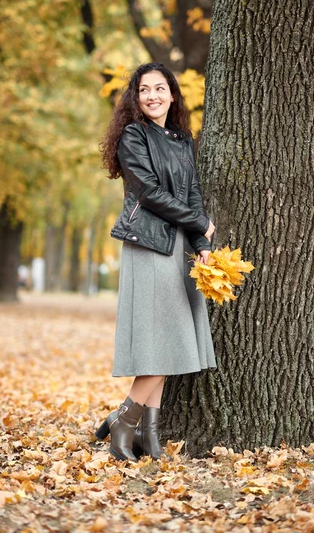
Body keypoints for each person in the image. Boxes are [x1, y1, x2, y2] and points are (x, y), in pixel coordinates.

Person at [96, 62, 217, 462]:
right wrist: (198, 221)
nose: (152, 96)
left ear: (172, 94)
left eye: (160, 88)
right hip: (148, 245)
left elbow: (192, 194)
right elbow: (147, 192)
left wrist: (201, 240)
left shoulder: (183, 140)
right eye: (144, 89)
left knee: (168, 339)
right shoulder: (133, 136)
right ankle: (124, 422)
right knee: (163, 340)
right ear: (135, 96)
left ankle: (149, 433)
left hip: (180, 246)